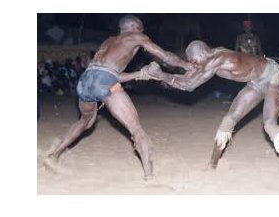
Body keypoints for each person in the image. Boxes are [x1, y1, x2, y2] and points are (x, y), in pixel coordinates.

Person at [45, 15, 191, 180]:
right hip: (103, 81)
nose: (143, 32)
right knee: (136, 130)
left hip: (85, 81)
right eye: (141, 28)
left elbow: (110, 73)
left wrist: (139, 73)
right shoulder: (136, 36)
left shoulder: (108, 41)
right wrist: (185, 65)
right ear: (135, 27)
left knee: (85, 122)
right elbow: (165, 56)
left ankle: (53, 155)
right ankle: (150, 177)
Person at [145, 40, 279, 184]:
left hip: (273, 75)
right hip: (256, 82)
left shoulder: (216, 60)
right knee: (228, 121)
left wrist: (160, 75)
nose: (194, 65)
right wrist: (167, 71)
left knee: (270, 125)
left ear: (201, 54)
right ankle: (212, 165)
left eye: (194, 61)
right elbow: (190, 73)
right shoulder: (210, 57)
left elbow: (189, 85)